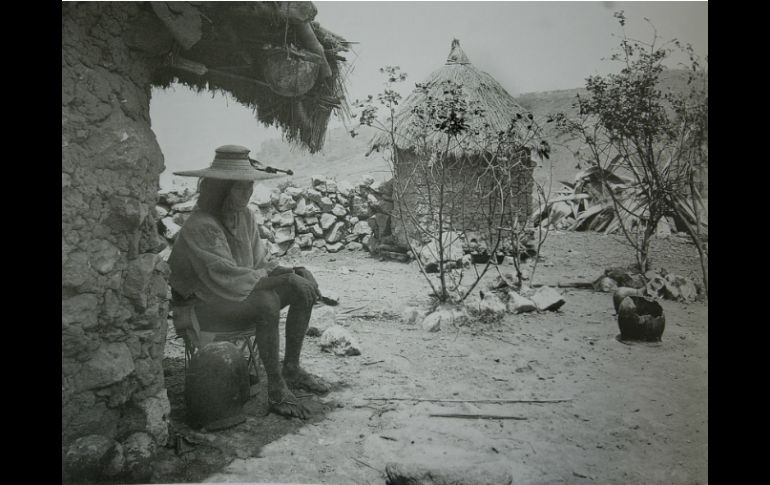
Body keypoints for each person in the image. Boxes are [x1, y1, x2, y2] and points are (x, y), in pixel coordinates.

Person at [168, 145, 328, 419]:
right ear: (221, 189)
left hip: (234, 299)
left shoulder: (244, 216)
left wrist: (294, 272)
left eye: (250, 186)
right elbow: (228, 277)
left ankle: (291, 369)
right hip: (201, 309)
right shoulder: (201, 224)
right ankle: (276, 388)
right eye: (241, 188)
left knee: (302, 284)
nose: (248, 193)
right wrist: (284, 278)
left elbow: (259, 265)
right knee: (267, 300)